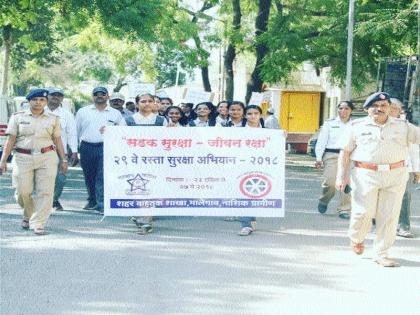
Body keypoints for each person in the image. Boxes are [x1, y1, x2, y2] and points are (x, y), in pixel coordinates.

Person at [336, 92, 420, 267]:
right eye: (375, 106)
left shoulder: (403, 126)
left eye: (383, 106)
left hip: (396, 175)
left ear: (389, 108)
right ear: (367, 109)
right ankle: (357, 238)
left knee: (389, 215)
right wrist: (341, 176)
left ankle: (381, 253)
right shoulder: (356, 126)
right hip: (365, 174)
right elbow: (345, 152)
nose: (379, 109)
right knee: (363, 212)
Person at [0, 88, 68, 235]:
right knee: (22, 190)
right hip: (22, 157)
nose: (38, 103)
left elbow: (57, 139)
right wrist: (3, 160)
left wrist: (63, 159)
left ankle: (38, 222)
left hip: (47, 157)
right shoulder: (17, 117)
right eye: (35, 100)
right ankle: (28, 214)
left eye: (42, 100)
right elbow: (10, 139)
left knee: (45, 191)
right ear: (29, 101)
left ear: (46, 101)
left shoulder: (53, 118)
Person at [76, 86, 126, 213]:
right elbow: (76, 131)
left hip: (106, 147)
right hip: (86, 146)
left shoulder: (115, 113)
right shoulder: (83, 111)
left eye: (103, 94)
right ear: (92, 97)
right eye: (96, 94)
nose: (99, 96)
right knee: (89, 175)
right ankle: (91, 199)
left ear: (107, 96)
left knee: (102, 175)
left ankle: (101, 202)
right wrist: (74, 150)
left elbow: (122, 131)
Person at [126, 93, 167, 234]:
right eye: (143, 101)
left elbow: (168, 140)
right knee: (137, 190)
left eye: (150, 101)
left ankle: (146, 222)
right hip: (134, 159)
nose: (147, 104)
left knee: (151, 190)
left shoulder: (161, 120)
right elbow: (118, 137)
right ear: (137, 104)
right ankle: (140, 216)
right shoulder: (128, 120)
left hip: (155, 160)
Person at [315, 101, 353, 219]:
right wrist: (318, 158)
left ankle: (344, 209)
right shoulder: (330, 124)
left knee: (347, 184)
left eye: (346, 108)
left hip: (349, 156)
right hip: (332, 155)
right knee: (330, 182)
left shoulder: (355, 125)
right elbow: (322, 141)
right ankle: (324, 200)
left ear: (351, 111)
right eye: (341, 108)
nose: (343, 111)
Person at [389, 98, 419, 238]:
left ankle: (403, 226)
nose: (391, 110)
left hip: (403, 168)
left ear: (400, 111)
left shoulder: (407, 127)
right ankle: (384, 224)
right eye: (390, 107)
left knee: (405, 197)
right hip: (379, 170)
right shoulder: (374, 125)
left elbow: (414, 150)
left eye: (395, 108)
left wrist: (416, 170)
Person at [45, 87, 78, 211]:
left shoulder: (66, 114)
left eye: (59, 95)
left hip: (59, 152)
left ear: (62, 98)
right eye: (53, 94)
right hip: (40, 151)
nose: (56, 97)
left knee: (60, 178)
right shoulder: (40, 110)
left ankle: (54, 199)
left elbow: (72, 134)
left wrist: (74, 151)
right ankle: (41, 201)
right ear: (47, 96)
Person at [237, 105, 266, 236]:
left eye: (256, 113)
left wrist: (283, 136)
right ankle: (246, 224)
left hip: (262, 168)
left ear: (260, 115)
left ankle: (251, 218)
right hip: (242, 166)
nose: (253, 116)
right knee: (244, 194)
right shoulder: (237, 131)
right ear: (245, 116)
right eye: (249, 114)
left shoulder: (269, 132)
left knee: (255, 194)